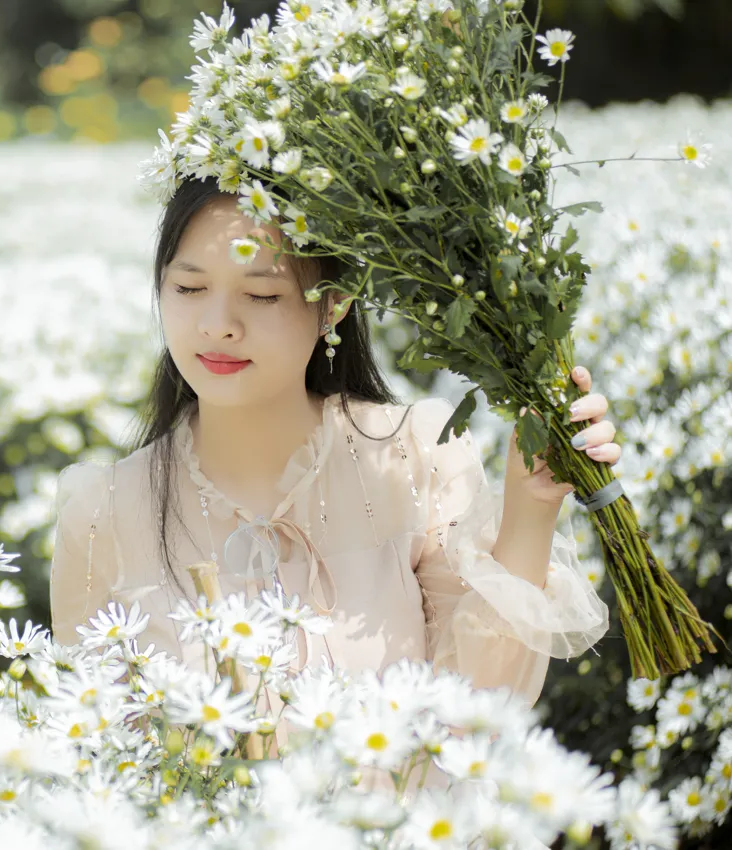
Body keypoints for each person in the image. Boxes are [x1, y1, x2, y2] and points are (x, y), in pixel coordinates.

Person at [48, 176, 617, 769]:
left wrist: (532, 507)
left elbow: (479, 707)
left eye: (262, 295)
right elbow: (95, 761)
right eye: (189, 287)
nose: (217, 324)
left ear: (335, 303)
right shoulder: (103, 510)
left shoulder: (413, 456)